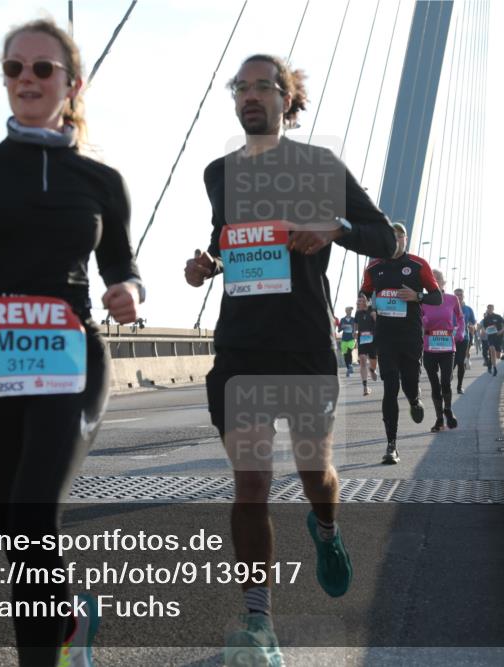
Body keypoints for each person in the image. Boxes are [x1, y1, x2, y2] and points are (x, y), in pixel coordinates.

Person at [0, 19, 143, 667]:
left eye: (42, 68)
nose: (27, 79)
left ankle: (59, 629)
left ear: (72, 84)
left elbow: (121, 266)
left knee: (34, 512)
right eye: (14, 68)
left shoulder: (101, 180)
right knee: (18, 536)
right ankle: (65, 622)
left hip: (70, 359)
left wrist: (129, 292)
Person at [184, 53, 396, 666]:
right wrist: (207, 265)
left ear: (288, 100)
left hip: (303, 345)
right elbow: (229, 242)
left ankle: (325, 529)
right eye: (241, 87)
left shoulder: (319, 166)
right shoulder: (219, 174)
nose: (251, 95)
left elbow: (385, 238)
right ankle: (259, 623)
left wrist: (333, 228)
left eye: (264, 86)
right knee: (251, 484)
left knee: (314, 476)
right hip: (241, 347)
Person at [360, 222, 442, 464]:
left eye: (399, 236)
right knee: (390, 387)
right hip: (385, 335)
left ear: (405, 239)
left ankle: (414, 400)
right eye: (391, 236)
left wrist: (417, 296)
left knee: (409, 383)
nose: (395, 240)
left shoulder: (418, 265)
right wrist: (364, 302)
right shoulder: (374, 267)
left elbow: (436, 297)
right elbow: (365, 292)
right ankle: (391, 445)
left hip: (410, 335)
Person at [421, 270, 463, 431]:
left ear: (443, 282)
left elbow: (460, 318)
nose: (434, 280)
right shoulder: (422, 300)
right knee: (435, 385)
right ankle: (439, 420)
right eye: (431, 278)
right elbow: (416, 320)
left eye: (437, 278)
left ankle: (448, 409)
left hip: (447, 347)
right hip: (429, 347)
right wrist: (422, 320)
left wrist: (460, 332)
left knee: (445, 382)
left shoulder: (452, 299)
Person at [453, 288, 477, 394]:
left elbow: (474, 322)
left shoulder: (468, 309)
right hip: (450, 338)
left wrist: (473, 326)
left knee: (460, 361)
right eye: (456, 295)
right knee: (451, 362)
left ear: (463, 296)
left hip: (464, 338)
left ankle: (459, 387)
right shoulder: (449, 307)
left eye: (460, 295)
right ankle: (446, 383)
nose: (458, 296)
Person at [354, 293, 378, 396]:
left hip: (373, 341)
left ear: (365, 302)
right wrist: (355, 332)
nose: (357, 303)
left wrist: (375, 316)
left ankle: (372, 369)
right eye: (357, 301)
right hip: (362, 340)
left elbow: (378, 324)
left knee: (373, 362)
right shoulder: (357, 313)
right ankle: (365, 387)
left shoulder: (372, 311)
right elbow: (355, 325)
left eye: (359, 301)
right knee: (363, 360)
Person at [481, 304, 504, 377]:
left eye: (491, 308)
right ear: (487, 309)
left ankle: (501, 354)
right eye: (488, 308)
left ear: (493, 309)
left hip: (498, 336)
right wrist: (485, 331)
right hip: (490, 337)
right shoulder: (486, 318)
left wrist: (501, 331)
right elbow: (483, 327)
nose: (490, 309)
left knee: (498, 356)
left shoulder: (497, 316)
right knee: (492, 350)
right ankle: (495, 368)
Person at [337, 306, 356, 376]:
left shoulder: (354, 319)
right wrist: (342, 327)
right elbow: (339, 330)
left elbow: (356, 328)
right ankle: (348, 368)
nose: (349, 312)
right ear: (346, 311)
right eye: (348, 310)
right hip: (344, 339)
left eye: (350, 311)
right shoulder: (342, 320)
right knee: (345, 355)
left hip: (351, 338)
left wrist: (354, 331)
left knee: (349, 352)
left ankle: (350, 365)